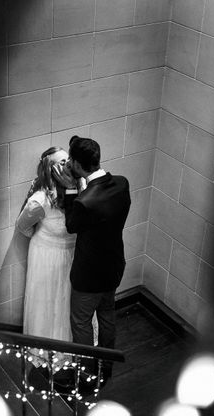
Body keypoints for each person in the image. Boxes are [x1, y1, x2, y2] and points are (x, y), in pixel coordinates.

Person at [53, 136, 131, 380]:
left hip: (89, 275)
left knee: (81, 322)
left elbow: (71, 226)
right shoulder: (122, 183)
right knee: (107, 315)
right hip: (114, 267)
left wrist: (70, 189)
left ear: (76, 164)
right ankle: (105, 365)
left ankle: (86, 371)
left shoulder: (84, 201)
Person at [16, 147, 91, 368]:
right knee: (48, 301)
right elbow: (23, 227)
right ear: (49, 170)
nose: (67, 165)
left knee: (69, 301)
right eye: (60, 163)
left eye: (68, 160)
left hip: (73, 253)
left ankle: (74, 348)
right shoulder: (40, 200)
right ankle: (47, 350)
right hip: (46, 256)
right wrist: (45, 237)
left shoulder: (82, 188)